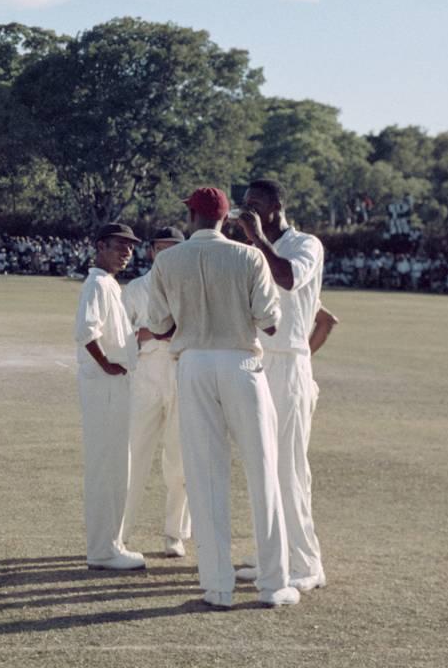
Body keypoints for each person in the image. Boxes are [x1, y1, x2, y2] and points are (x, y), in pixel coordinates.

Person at [147, 187, 298, 609]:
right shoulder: (248, 256)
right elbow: (270, 322)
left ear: (193, 217)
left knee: (205, 475)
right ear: (226, 218)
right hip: (240, 363)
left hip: (193, 363)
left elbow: (159, 326)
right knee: (262, 470)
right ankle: (273, 584)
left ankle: (217, 586)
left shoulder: (168, 260)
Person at [229, 181, 330, 593]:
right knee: (260, 463)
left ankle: (307, 563)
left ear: (276, 206)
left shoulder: (306, 244)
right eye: (244, 205)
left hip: (290, 364)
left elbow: (287, 278)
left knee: (289, 467)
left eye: (255, 204)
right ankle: (271, 552)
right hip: (257, 359)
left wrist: (255, 239)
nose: (248, 210)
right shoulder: (254, 251)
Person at [74, 224, 146, 572]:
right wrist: (107, 365)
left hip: (114, 385)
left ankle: (110, 544)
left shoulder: (109, 285)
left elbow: (113, 335)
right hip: (104, 387)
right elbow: (86, 333)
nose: (126, 253)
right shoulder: (97, 283)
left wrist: (139, 337)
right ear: (100, 246)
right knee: (108, 467)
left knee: (118, 466)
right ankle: (103, 549)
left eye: (130, 248)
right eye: (120, 246)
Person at [121, 225, 190, 559]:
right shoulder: (135, 289)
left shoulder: (193, 286)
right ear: (151, 252)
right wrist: (145, 332)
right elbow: (117, 340)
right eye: (161, 249)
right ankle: (119, 533)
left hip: (182, 375)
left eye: (173, 249)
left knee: (179, 461)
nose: (166, 255)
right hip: (145, 377)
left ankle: (174, 534)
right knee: (133, 456)